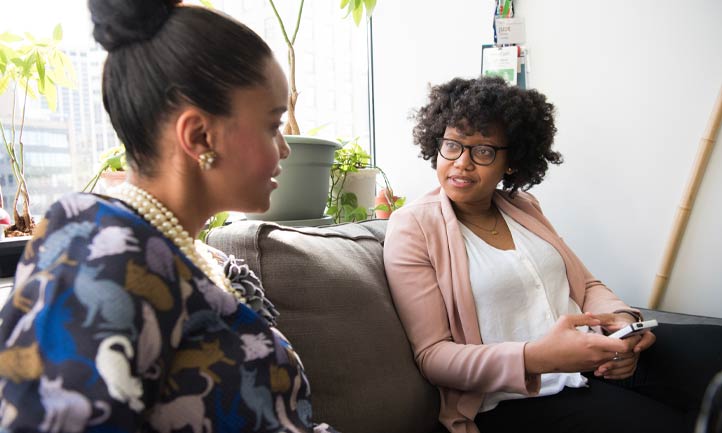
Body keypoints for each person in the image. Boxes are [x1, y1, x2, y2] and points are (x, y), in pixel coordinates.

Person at [0, 1, 337, 432]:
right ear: (199, 136)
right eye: (273, 126)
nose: (285, 150)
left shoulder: (196, 259)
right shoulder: (96, 250)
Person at [383, 75, 722, 433]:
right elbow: (433, 356)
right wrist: (538, 356)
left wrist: (622, 322)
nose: (462, 163)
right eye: (452, 145)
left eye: (483, 151)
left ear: (511, 162)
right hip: (523, 394)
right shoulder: (413, 227)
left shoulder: (523, 206)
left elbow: (586, 284)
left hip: (597, 353)